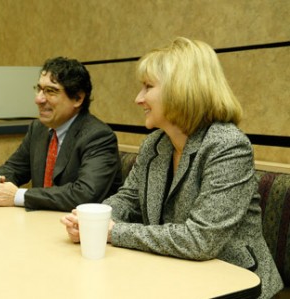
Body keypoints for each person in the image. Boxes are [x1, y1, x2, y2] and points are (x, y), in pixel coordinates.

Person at [60, 37, 284, 298]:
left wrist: (112, 231)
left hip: (234, 284)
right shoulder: (155, 144)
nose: (138, 99)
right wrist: (95, 220)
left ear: (181, 89)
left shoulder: (227, 146)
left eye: (147, 87)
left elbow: (201, 240)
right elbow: (128, 198)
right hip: (175, 272)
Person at [0, 56, 123, 212]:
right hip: (41, 223)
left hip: (80, 229)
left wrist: (18, 196)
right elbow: (13, 168)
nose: (38, 99)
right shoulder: (38, 128)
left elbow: (85, 194)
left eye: (50, 91)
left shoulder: (98, 136)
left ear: (78, 98)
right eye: (39, 89)